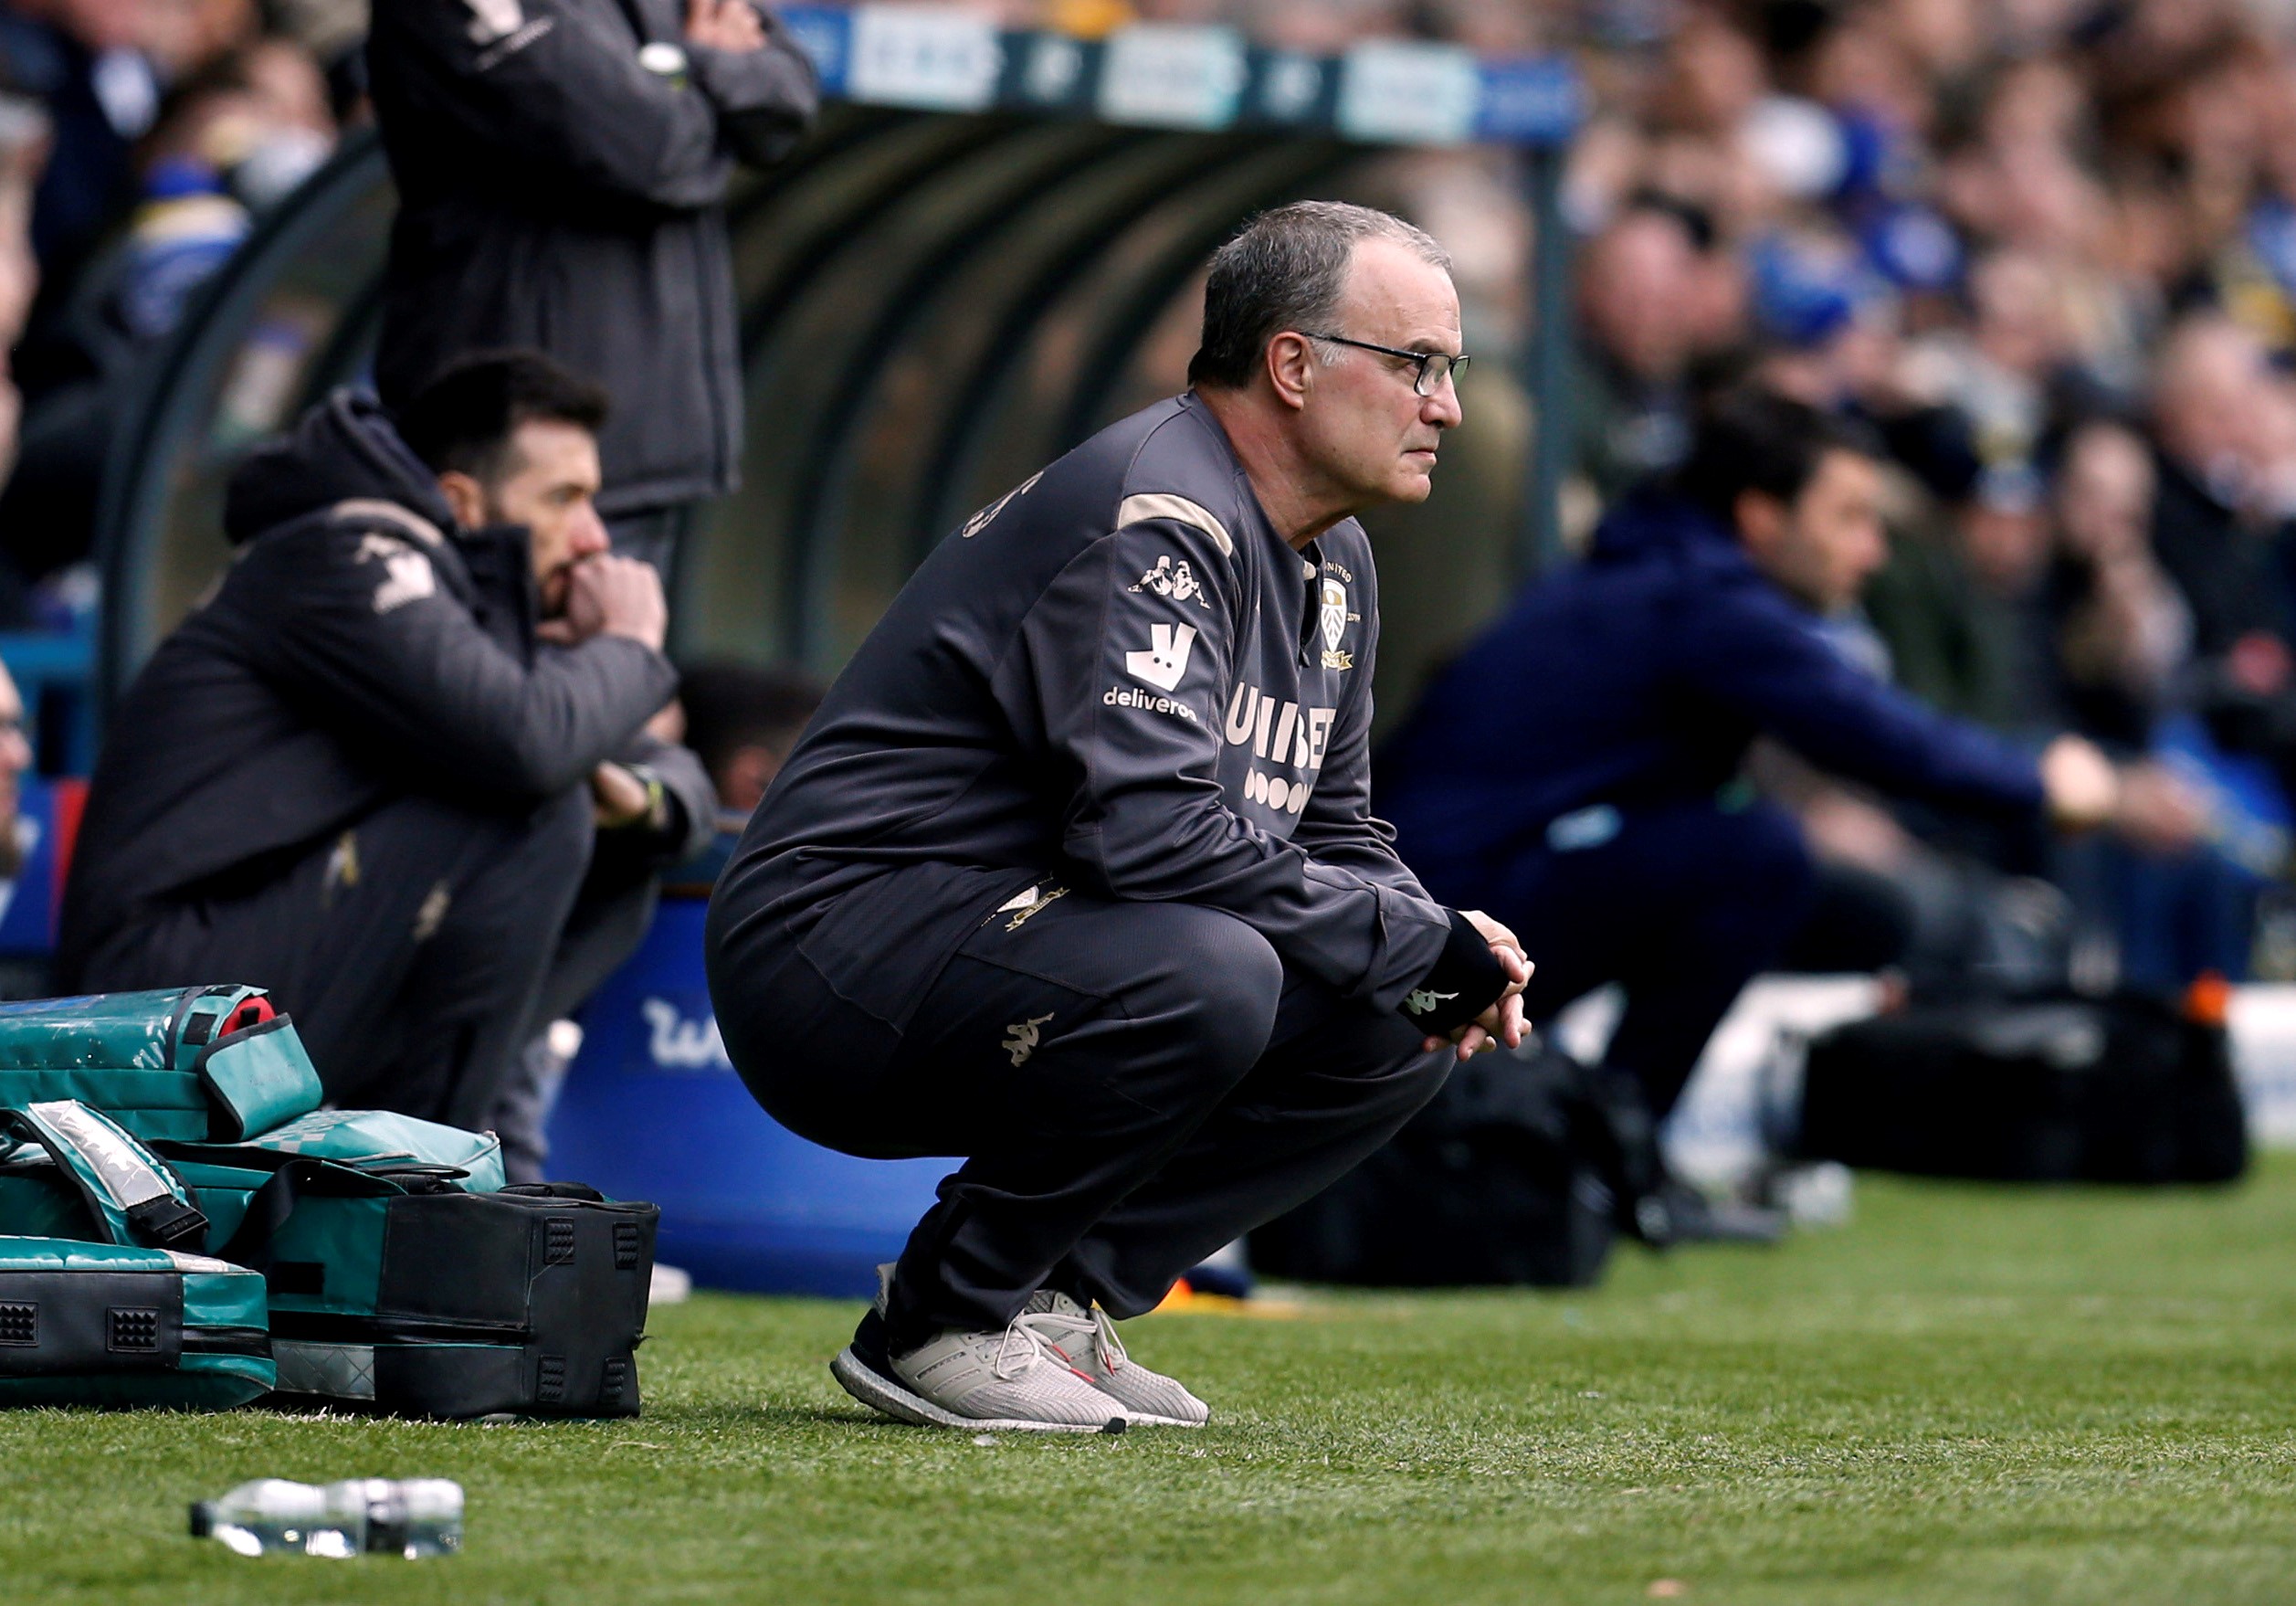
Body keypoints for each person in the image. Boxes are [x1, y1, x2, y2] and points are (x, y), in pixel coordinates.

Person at [707, 202, 1527, 1432]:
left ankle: (1053, 1301)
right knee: (1214, 967)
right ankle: (937, 1318)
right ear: (1292, 365)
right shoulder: (1159, 512)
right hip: (830, 948)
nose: (1445, 405)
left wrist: (1444, 954)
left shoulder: (1334, 556)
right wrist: (1409, 937)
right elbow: (1145, 838)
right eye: (1415, 363)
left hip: (1028, 939)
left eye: (1449, 371)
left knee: (1403, 1012)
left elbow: (1336, 832)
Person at [1378, 389, 2159, 1194]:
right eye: (1849, 518)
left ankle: (1599, 1142)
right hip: (1435, 957)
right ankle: (1610, 1153)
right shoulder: (1702, 602)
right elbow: (1879, 737)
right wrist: (2042, 784)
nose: (1871, 551)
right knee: (1759, 856)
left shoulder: (1655, 575)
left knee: (1766, 854)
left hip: (1431, 926)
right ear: (1761, 518)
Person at [57, 350, 681, 1129]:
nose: (594, 539)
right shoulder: (342, 557)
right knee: (534, 807)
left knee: (610, 847)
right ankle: (419, 1186)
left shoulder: (478, 616)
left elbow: (663, 776)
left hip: (246, 964)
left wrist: (644, 798)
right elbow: (528, 744)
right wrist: (628, 647)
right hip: (155, 992)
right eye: (565, 499)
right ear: (464, 502)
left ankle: (407, 1164)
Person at [364, 0, 817, 562]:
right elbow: (639, 147)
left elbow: (788, 101)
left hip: (651, 453)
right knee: (495, 649)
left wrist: (678, 75)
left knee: (619, 645)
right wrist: (705, 81)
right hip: (514, 456)